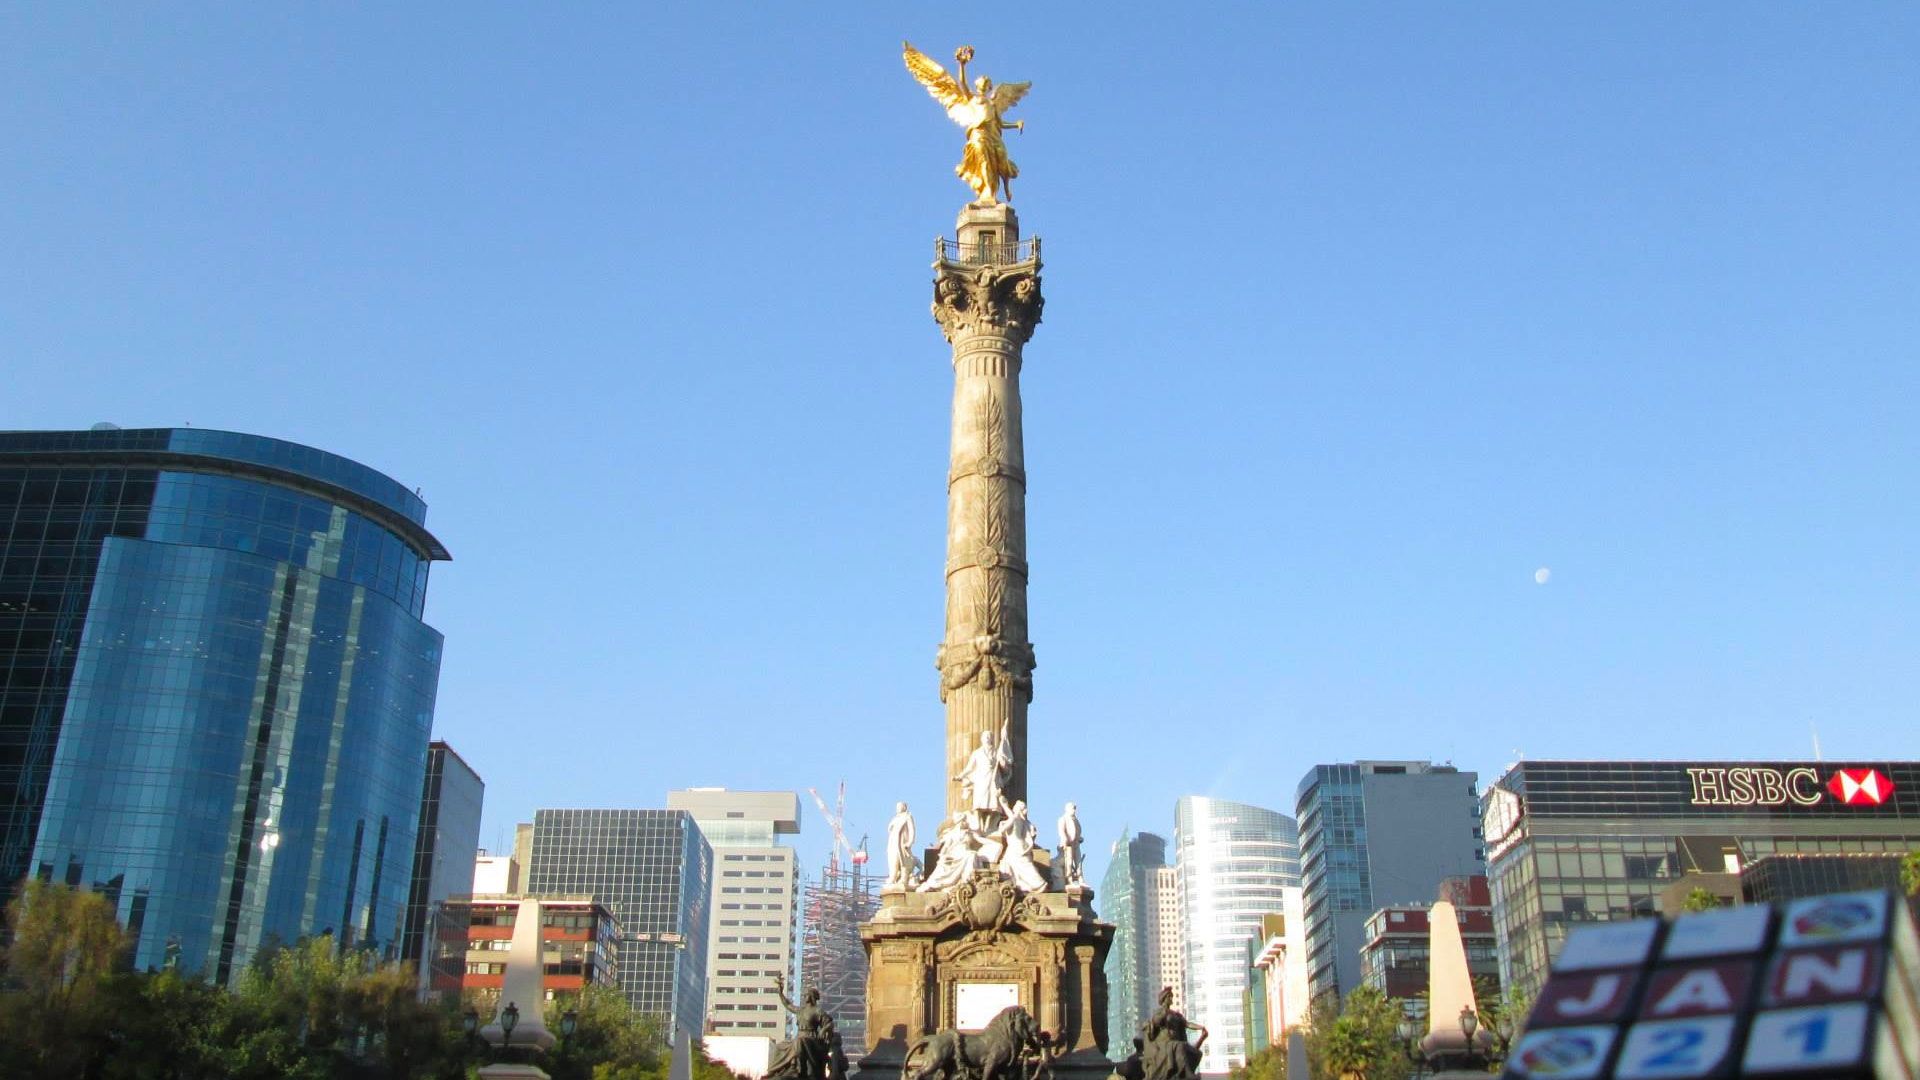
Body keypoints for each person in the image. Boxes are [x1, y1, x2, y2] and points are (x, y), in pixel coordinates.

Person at [769, 975, 830, 1080]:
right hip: (799, 1036)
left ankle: (798, 1068)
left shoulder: (817, 1011)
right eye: (804, 995)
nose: (804, 997)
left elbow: (829, 1023)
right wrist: (780, 993)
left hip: (811, 1039)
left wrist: (823, 1030)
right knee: (780, 1046)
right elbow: (788, 1005)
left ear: (811, 997)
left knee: (800, 1041)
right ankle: (774, 1071)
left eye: (806, 995)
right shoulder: (801, 1010)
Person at [1140, 986, 1206, 1080]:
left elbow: (1187, 1024)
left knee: (1189, 1049)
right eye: (1169, 997)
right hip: (1163, 1044)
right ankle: (1186, 1072)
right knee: (1179, 1046)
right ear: (1164, 999)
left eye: (1171, 997)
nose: (1171, 999)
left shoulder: (1176, 1014)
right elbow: (1156, 1022)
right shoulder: (1159, 1012)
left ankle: (1184, 1072)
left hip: (1175, 1042)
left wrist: (1201, 1028)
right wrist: (1164, 1012)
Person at [955, 723, 1012, 830]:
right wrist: (960, 776)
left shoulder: (996, 752)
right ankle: (978, 825)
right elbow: (969, 768)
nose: (987, 738)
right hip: (981, 779)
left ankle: (988, 827)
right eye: (985, 736)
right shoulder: (977, 753)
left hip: (993, 779)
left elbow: (1003, 765)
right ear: (981, 739)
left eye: (989, 736)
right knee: (978, 803)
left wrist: (1004, 761)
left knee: (994, 805)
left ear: (992, 739)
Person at [917, 813, 985, 892]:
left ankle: (967, 880)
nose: (965, 823)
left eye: (965, 821)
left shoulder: (969, 834)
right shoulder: (953, 834)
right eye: (963, 821)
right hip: (956, 853)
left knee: (971, 855)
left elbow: (980, 838)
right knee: (969, 855)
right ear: (959, 823)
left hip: (965, 852)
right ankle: (934, 883)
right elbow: (946, 847)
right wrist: (942, 856)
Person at [994, 799, 1049, 893]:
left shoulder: (1015, 818)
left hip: (1016, 846)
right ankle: (1019, 884)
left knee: (1023, 866)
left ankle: (1039, 883)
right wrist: (1004, 805)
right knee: (1010, 863)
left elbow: (1002, 830)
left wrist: (1003, 822)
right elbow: (1010, 814)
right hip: (1019, 845)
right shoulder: (1023, 820)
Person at [886, 802, 919, 889]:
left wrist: (910, 842)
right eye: (897, 807)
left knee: (903, 861)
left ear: (904, 807)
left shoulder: (907, 816)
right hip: (893, 842)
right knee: (892, 859)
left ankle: (903, 879)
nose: (898, 808)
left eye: (899, 806)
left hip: (902, 843)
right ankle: (892, 877)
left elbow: (912, 830)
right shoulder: (895, 818)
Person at [1055, 802, 1083, 887]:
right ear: (1067, 809)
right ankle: (1069, 880)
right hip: (1068, 844)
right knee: (1069, 862)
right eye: (1072, 808)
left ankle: (1080, 879)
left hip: (1076, 844)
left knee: (1078, 862)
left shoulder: (1075, 820)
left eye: (1074, 808)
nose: (1074, 810)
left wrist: (1079, 838)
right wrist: (1065, 840)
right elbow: (1061, 831)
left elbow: (1077, 831)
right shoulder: (1063, 819)